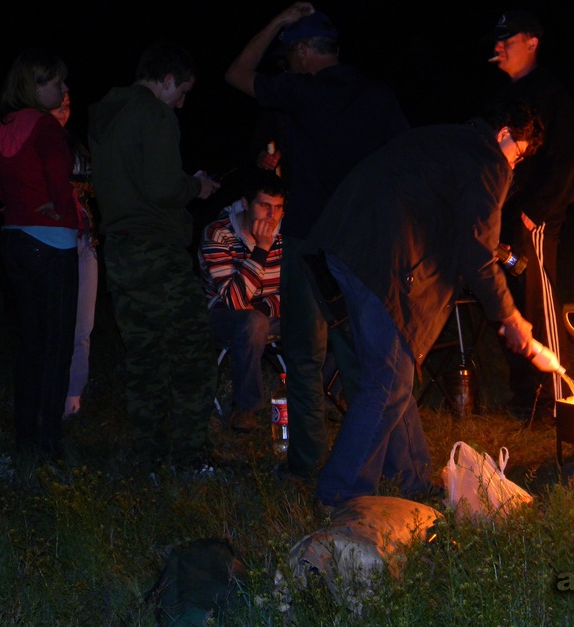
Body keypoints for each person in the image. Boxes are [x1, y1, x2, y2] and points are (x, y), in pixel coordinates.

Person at [305, 103, 544, 508]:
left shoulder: (448, 138)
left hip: (346, 242)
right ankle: (340, 493)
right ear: (504, 133)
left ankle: (412, 479)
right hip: (380, 257)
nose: (513, 167)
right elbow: (477, 251)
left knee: (394, 371)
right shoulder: (488, 159)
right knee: (388, 381)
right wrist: (510, 315)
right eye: (517, 154)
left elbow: (450, 220)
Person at [225, 2, 410, 482]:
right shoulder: (377, 95)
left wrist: (276, 20)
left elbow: (237, 73)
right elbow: (403, 165)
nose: (287, 64)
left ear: (305, 51)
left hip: (310, 243)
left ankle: (306, 463)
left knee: (306, 357)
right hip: (363, 244)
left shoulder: (300, 92)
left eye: (290, 54)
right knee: (360, 358)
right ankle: (366, 464)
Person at [88, 41, 221, 470]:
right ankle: (190, 455)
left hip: (120, 249)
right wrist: (195, 186)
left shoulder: (107, 115)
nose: (181, 103)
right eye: (181, 92)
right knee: (192, 351)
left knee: (144, 353)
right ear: (165, 80)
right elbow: (163, 187)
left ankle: (150, 454)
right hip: (155, 249)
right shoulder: (153, 113)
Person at [0, 49, 79, 460]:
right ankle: (49, 445)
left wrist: (13, 198)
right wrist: (53, 201)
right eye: (57, 83)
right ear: (34, 86)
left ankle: (25, 439)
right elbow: (58, 172)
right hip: (51, 242)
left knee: (30, 343)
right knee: (56, 345)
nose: (65, 89)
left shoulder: (1, 124)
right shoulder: (47, 127)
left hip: (14, 237)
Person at [486, 9, 574, 420]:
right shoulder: (501, 97)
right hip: (501, 214)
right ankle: (525, 394)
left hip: (535, 217)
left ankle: (555, 396)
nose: (498, 47)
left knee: (537, 298)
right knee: (508, 302)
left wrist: (537, 212)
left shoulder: (549, 93)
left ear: (532, 42)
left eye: (507, 39)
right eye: (496, 40)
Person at [197, 168, 285, 432]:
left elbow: (297, 291)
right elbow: (234, 302)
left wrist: (268, 305)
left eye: (278, 207)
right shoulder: (218, 234)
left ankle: (325, 393)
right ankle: (246, 408)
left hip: (272, 314)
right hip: (223, 319)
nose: (272, 215)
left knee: (323, 313)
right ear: (246, 204)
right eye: (264, 206)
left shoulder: (287, 233)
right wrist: (261, 249)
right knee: (252, 322)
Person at [50, 91, 99, 418]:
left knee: (83, 325)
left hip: (85, 238)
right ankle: (46, 392)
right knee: (53, 322)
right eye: (58, 104)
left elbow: (93, 183)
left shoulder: (74, 143)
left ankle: (73, 396)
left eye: (68, 105)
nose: (63, 111)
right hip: (53, 239)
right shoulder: (36, 142)